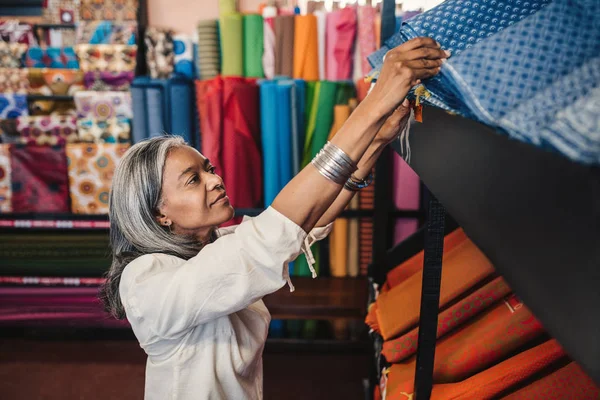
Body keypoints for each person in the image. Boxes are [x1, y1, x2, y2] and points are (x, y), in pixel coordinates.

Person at [99, 37, 449, 399]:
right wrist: (376, 102)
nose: (216, 180)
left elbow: (305, 225)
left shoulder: (213, 245)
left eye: (209, 169)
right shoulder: (145, 282)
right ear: (159, 213)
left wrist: (376, 141)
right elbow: (273, 232)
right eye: (193, 179)